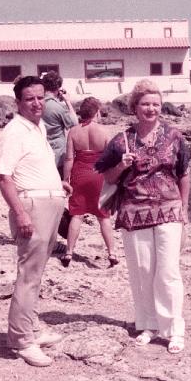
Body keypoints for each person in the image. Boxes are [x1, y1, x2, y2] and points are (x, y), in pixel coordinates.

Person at [95, 79, 190, 354]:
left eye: (156, 104)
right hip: (134, 213)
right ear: (134, 107)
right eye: (146, 104)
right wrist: (121, 166)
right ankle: (148, 324)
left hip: (169, 211)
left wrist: (184, 208)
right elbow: (106, 175)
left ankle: (174, 329)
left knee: (168, 272)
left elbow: (183, 174)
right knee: (143, 272)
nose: (151, 109)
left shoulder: (174, 136)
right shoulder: (121, 140)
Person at [0, 75, 72, 367]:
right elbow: (4, 177)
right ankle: (20, 341)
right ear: (18, 102)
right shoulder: (14, 131)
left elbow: (31, 166)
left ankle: (29, 327)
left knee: (37, 273)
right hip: (32, 208)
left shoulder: (37, 128)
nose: (37, 103)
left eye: (41, 97)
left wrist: (56, 185)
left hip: (49, 202)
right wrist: (20, 213)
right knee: (28, 275)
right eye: (30, 98)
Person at [61, 96, 118, 268]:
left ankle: (69, 252)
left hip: (80, 174)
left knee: (76, 215)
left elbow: (69, 159)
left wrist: (66, 179)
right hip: (98, 175)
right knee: (103, 217)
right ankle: (112, 253)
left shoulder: (74, 132)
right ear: (96, 112)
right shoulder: (104, 131)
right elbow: (111, 159)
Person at [41, 71, 77, 176]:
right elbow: (74, 123)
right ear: (58, 88)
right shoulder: (58, 107)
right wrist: (67, 101)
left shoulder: (38, 104)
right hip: (58, 153)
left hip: (42, 151)